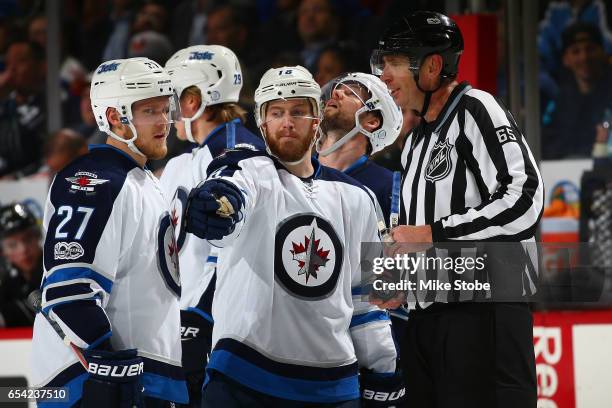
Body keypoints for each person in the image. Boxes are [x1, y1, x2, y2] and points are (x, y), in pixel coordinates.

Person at [184, 66, 402, 407]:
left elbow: (367, 299)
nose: (287, 122)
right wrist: (218, 205)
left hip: (335, 385)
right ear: (262, 122)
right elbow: (232, 188)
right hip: (244, 376)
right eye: (277, 112)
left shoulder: (366, 194)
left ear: (315, 121)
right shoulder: (249, 168)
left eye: (298, 111)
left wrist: (383, 368)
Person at [371, 11, 544, 407]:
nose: (384, 77)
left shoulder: (476, 109)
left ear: (432, 66)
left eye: (395, 63)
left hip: (485, 316)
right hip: (429, 323)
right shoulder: (415, 142)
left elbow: (525, 196)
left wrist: (434, 234)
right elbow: (419, 239)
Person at [30, 57, 188, 407]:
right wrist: (110, 366)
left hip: (147, 379)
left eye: (166, 108)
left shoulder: (142, 179)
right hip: (92, 382)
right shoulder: (94, 181)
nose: (164, 121)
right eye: (149, 111)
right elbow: (68, 291)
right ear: (115, 117)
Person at [160, 44, 264, 407]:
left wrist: (197, 320)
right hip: (192, 324)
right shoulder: (186, 160)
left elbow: (227, 253)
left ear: (193, 100)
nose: (167, 111)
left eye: (172, 98)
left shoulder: (237, 155)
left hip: (220, 334)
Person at [317, 72, 410, 344]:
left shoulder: (391, 189)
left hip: (357, 343)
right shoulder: (290, 175)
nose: (336, 93)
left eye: (351, 92)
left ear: (371, 122)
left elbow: (397, 286)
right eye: (337, 89)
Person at [542, 22, 612, 159]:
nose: (584, 57)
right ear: (565, 59)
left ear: (603, 52)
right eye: (576, 51)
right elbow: (546, 148)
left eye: (590, 49)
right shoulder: (557, 101)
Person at [0, 202, 42, 327]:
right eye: (12, 245)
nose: (23, 249)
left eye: (28, 239)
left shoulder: (55, 273)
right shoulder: (6, 282)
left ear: (38, 236)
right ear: (3, 252)